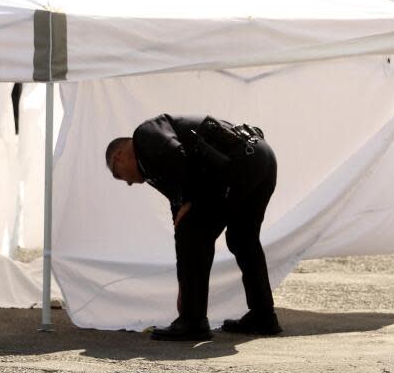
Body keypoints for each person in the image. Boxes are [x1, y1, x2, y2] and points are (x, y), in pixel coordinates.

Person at [105, 114, 281, 341]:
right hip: (259, 158)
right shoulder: (153, 165)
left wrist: (191, 200)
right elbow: (180, 216)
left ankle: (193, 321)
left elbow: (177, 156)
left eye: (118, 175)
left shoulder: (144, 136)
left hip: (239, 161)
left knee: (195, 236)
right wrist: (184, 287)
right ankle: (263, 316)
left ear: (118, 157)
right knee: (242, 238)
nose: (127, 182)